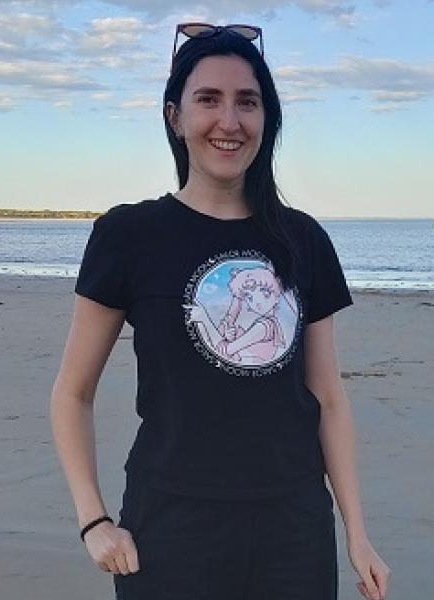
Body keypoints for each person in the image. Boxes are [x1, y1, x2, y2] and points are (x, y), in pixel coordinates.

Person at [50, 23, 391, 600]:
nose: (230, 122)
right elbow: (72, 391)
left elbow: (328, 398)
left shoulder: (302, 240)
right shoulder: (129, 235)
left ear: (267, 120)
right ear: (175, 117)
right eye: (208, 99)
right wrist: (93, 520)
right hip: (170, 526)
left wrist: (356, 533)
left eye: (248, 102)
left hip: (293, 528)